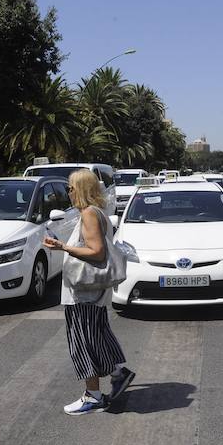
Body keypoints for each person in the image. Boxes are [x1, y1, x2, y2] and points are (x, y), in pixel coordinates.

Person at [44, 169, 134, 415]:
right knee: (97, 335)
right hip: (90, 291)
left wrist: (63, 247)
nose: (69, 193)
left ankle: (93, 395)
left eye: (71, 188)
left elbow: (97, 252)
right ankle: (118, 372)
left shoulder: (89, 215)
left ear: (81, 189)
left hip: (84, 292)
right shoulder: (96, 213)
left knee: (83, 342)